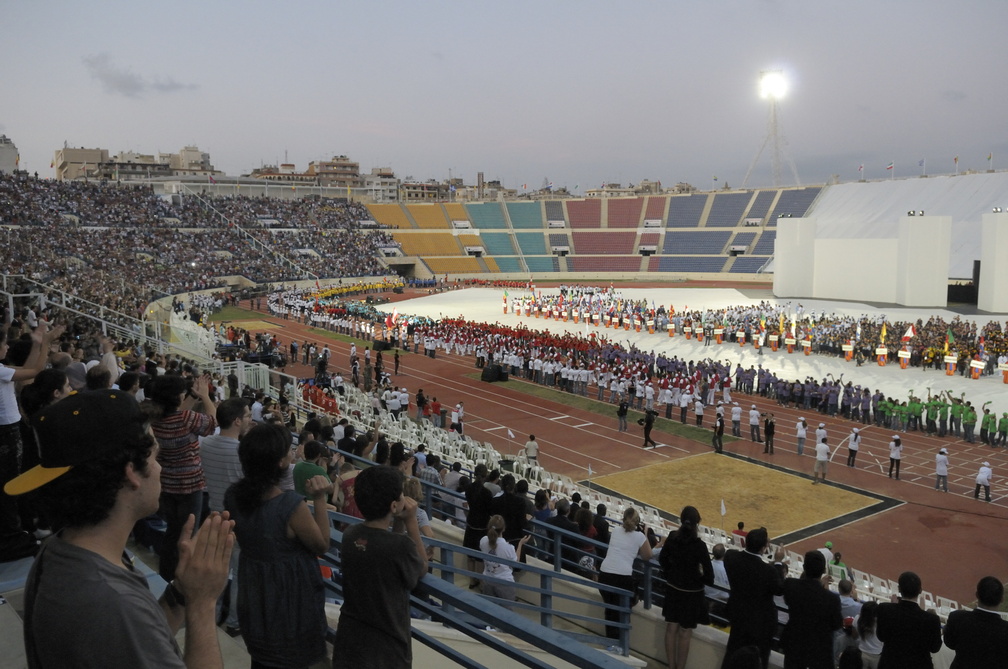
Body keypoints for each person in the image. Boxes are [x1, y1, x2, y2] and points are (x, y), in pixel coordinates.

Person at [7, 389, 234, 668]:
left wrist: (182, 592)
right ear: (131, 473)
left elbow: (141, 640)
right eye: (154, 458)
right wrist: (202, 603)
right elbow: (127, 623)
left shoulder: (61, 550)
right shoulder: (110, 602)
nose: (160, 469)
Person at [225, 423, 331, 669]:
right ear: (281, 462)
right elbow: (322, 545)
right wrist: (319, 498)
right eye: (289, 451)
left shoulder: (233, 495)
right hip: (290, 598)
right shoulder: (290, 505)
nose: (293, 453)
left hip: (255, 592)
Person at [333, 466, 428, 669]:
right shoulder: (400, 546)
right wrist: (411, 521)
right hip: (387, 647)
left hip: (351, 639)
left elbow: (384, 541)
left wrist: (399, 524)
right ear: (394, 506)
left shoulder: (351, 534)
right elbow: (421, 568)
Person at [145, 373, 218, 580]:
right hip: (190, 486)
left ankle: (167, 573)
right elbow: (213, 421)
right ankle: (184, 577)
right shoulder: (186, 419)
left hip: (166, 484)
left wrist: (193, 396)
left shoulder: (156, 418)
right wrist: (204, 396)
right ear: (176, 397)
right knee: (188, 533)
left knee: (173, 531)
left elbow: (177, 413)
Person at [1, 321, 64, 560]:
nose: (6, 347)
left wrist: (38, 345)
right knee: (8, 483)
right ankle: (9, 538)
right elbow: (36, 372)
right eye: (3, 343)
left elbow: (23, 371)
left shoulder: (4, 371)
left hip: (8, 432)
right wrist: (45, 343)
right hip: (6, 434)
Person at [199, 397, 253, 636]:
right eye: (248, 415)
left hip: (214, 517)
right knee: (239, 575)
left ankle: (213, 616)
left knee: (218, 572)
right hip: (238, 522)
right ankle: (234, 622)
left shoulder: (207, 444)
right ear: (238, 421)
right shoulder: (243, 452)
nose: (251, 419)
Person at [660, 506, 714, 669]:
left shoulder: (672, 538)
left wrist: (671, 574)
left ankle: (671, 666)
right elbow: (709, 577)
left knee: (671, 628)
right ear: (697, 524)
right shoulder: (700, 546)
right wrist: (698, 579)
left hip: (673, 588)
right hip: (692, 594)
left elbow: (663, 559)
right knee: (685, 633)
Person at [721, 527, 782, 669]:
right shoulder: (769, 571)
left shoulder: (731, 557)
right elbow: (779, 589)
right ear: (763, 548)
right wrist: (778, 562)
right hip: (759, 625)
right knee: (758, 660)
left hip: (737, 616)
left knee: (732, 653)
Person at [780, 550, 842, 669]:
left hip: (794, 643)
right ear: (824, 570)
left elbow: (800, 592)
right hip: (819, 650)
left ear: (804, 567)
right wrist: (821, 588)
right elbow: (836, 624)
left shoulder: (790, 585)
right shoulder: (832, 599)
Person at [598, 507, 652, 643]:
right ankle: (621, 645)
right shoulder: (639, 536)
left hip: (604, 575)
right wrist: (644, 533)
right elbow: (647, 555)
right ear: (637, 522)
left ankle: (611, 643)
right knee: (622, 613)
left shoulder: (615, 531)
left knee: (610, 612)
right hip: (621, 578)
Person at [875, 571, 942, 669]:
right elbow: (935, 648)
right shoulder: (931, 619)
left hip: (890, 664)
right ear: (920, 591)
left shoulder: (885, 609)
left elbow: (881, 636)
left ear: (899, 589)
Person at [942, 575, 1008, 668]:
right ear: (1002, 599)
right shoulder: (1005, 629)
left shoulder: (957, 617)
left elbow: (950, 643)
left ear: (977, 595)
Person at [479, 514, 530, 607]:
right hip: (504, 583)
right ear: (504, 529)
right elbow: (516, 562)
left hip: (488, 580)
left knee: (489, 608)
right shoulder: (507, 547)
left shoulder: (483, 541)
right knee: (506, 612)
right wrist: (520, 544)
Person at [854, 600, 884, 669]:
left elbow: (854, 636)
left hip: (862, 653)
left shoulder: (857, 619)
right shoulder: (881, 622)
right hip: (877, 655)